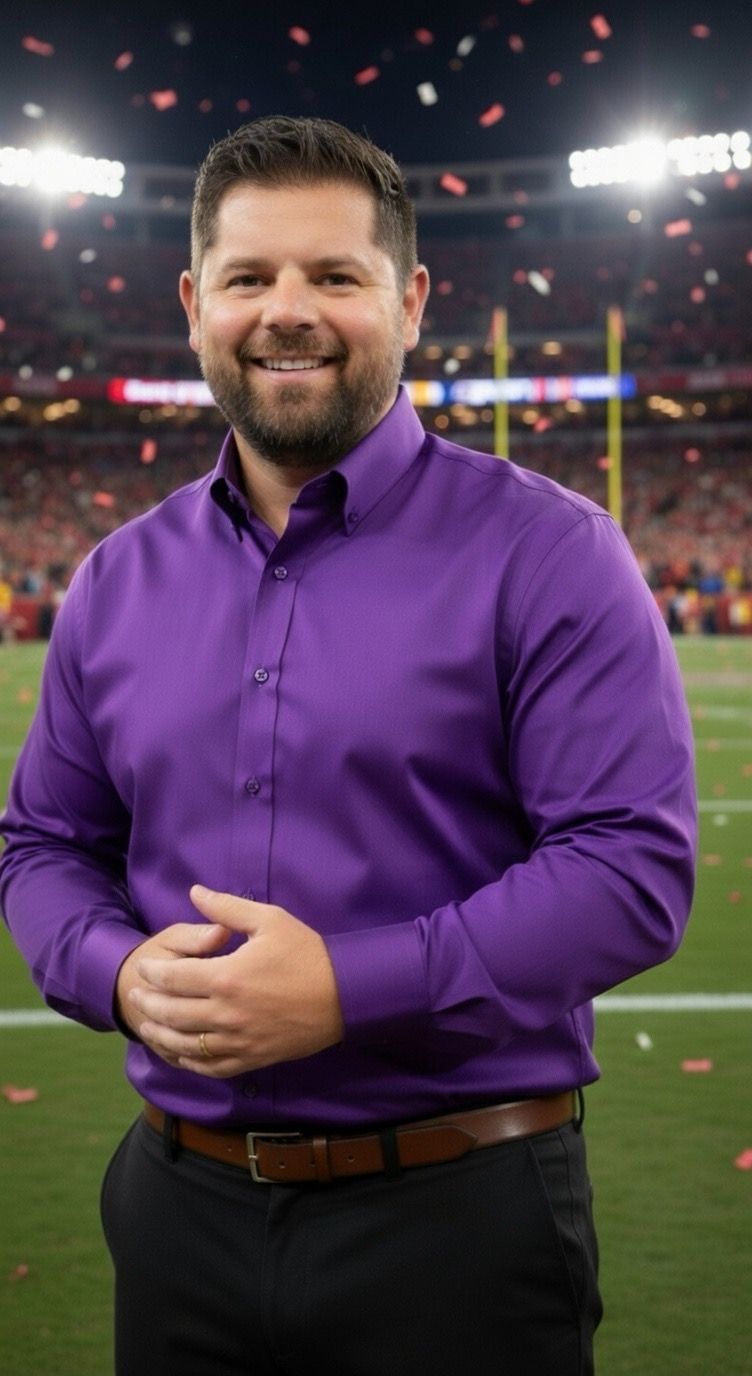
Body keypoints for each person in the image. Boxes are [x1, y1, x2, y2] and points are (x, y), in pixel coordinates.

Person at [0, 116, 696, 1376]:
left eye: (334, 275)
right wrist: (113, 971)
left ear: (411, 298)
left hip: (457, 1214)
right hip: (177, 1208)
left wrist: (349, 987)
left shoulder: (547, 551)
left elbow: (627, 868)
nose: (287, 311)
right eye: (249, 277)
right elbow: (45, 842)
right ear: (193, 301)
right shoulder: (115, 579)